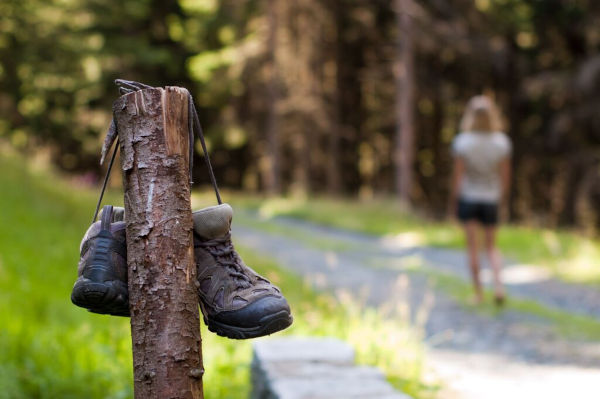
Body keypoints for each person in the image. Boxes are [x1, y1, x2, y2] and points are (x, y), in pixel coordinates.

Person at [449, 95, 512, 305]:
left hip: (469, 197)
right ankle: (498, 286)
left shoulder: (462, 142)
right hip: (491, 197)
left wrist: (454, 201)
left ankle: (478, 294)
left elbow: (458, 177)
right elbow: (505, 176)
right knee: (492, 246)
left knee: (473, 248)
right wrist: (502, 198)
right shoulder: (501, 142)